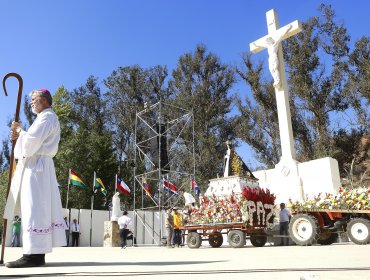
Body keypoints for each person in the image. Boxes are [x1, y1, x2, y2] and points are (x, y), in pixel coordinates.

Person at [3, 89, 66, 268]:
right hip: (36, 165)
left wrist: (19, 131)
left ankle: (33, 256)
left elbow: (31, 143)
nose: (31, 102)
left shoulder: (47, 117)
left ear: (45, 100)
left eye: (34, 99)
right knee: (33, 208)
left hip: (37, 167)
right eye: (30, 99)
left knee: (35, 208)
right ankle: (35, 253)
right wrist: (19, 135)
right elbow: (30, 141)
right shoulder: (44, 117)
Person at [252, 24, 292, 89]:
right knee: (271, 69)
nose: (268, 42)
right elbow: (261, 45)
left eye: (269, 40)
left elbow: (281, 35)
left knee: (275, 68)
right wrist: (256, 44)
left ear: (271, 40)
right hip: (270, 58)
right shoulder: (268, 46)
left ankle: (278, 80)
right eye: (268, 41)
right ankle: (275, 80)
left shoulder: (275, 43)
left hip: (274, 57)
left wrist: (287, 29)